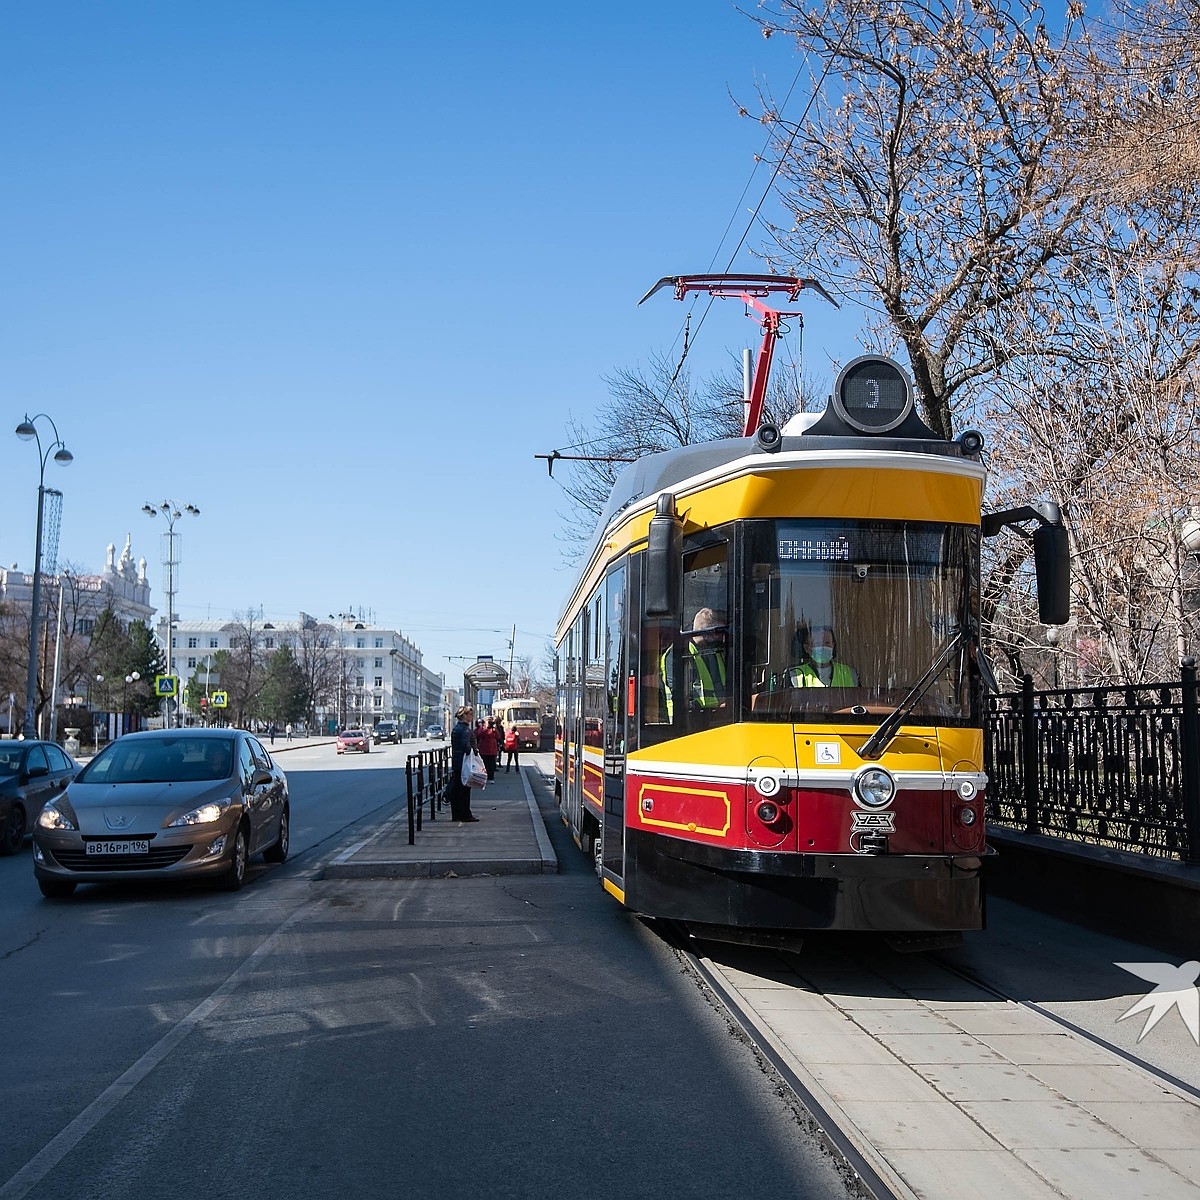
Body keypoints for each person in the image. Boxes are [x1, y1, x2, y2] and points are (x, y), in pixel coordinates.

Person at [661, 607, 728, 721]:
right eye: (718, 632)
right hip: (690, 723)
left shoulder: (714, 650)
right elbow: (681, 695)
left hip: (717, 718)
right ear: (707, 633)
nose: (721, 637)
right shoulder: (677, 654)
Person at [787, 624, 858, 687]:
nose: (823, 647)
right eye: (817, 644)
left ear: (833, 645)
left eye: (827, 643)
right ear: (806, 648)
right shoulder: (795, 674)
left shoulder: (850, 673)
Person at [448, 705, 480, 822]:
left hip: (457, 761)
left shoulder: (457, 728)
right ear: (464, 716)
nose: (472, 717)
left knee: (457, 788)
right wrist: (474, 751)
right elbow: (465, 746)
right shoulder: (465, 729)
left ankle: (456, 814)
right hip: (464, 762)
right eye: (470, 714)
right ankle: (465, 814)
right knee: (464, 789)